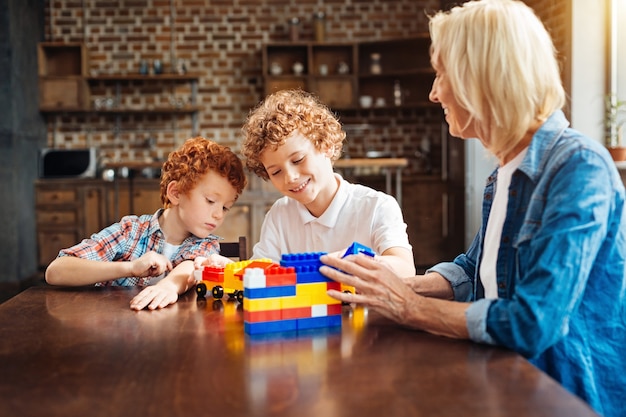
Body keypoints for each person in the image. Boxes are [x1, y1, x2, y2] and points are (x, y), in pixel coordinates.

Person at [318, 1, 626, 417]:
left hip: (565, 397)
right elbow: (473, 270)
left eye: (441, 74)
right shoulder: (504, 175)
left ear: (480, 78)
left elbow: (532, 322)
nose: (433, 91)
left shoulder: (578, 167)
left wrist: (410, 308)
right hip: (506, 382)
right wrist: (391, 286)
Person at [45, 137, 247, 311]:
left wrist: (168, 286)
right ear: (176, 193)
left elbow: (188, 269)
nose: (218, 215)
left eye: (225, 208)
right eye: (211, 201)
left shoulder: (206, 245)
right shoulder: (130, 231)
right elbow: (56, 271)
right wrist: (130, 268)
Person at [235, 88, 415, 277]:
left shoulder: (377, 206)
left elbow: (405, 269)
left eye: (298, 160)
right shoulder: (279, 215)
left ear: (326, 146)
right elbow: (261, 275)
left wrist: (346, 262)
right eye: (276, 172)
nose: (290, 177)